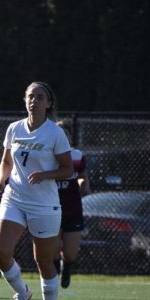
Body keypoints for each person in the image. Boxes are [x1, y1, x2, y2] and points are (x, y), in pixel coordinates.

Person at [0, 82, 73, 300]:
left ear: (49, 103)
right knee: (1, 253)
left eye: (40, 97)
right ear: (25, 100)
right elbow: (7, 160)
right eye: (30, 96)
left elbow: (68, 170)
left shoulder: (55, 133)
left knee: (43, 261)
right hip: (14, 197)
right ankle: (21, 292)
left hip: (44, 205)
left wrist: (45, 175)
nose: (34, 101)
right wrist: (0, 179)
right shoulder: (14, 128)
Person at [54, 119, 89, 289]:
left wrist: (83, 184)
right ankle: (52, 279)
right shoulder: (46, 155)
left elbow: (83, 176)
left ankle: (66, 266)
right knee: (51, 250)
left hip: (72, 208)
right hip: (51, 209)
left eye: (65, 134)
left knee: (70, 253)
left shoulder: (76, 155)